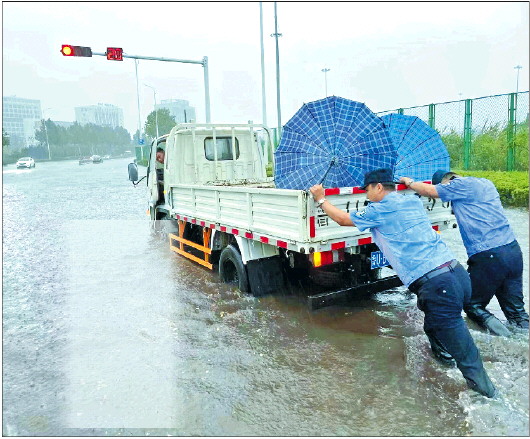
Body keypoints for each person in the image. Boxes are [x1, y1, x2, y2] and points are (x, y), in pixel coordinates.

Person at [310, 168, 497, 398]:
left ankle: (490, 401)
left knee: (467, 357)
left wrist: (320, 199)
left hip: (438, 285)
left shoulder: (379, 210)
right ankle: (442, 362)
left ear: (379, 187)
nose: (366, 195)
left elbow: (341, 219)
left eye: (367, 190)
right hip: (457, 275)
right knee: (433, 324)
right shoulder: (411, 202)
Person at [400, 170, 528, 335]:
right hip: (512, 251)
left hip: (489, 255)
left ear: (446, 181)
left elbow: (430, 191)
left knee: (472, 305)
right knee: (516, 311)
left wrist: (409, 182)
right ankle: (524, 343)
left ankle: (509, 341)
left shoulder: (458, 185)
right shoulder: (484, 183)